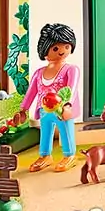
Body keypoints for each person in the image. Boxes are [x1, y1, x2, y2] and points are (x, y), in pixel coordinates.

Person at [21, 23, 80, 172]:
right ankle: (45, 155)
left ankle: (70, 155)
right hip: (44, 110)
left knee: (66, 132)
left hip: (62, 110)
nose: (62, 51)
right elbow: (31, 93)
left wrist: (67, 105)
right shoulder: (39, 73)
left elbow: (71, 89)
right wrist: (23, 109)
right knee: (45, 133)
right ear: (45, 49)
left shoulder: (71, 70)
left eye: (66, 46)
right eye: (55, 48)